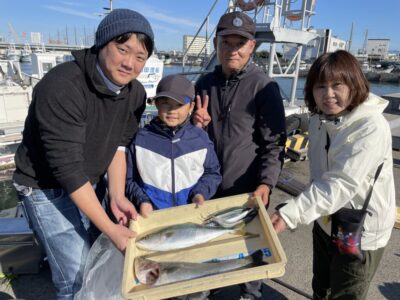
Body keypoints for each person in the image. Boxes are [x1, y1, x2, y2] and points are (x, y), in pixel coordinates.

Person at [12, 9, 154, 300]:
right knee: (75, 274)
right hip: (43, 186)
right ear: (102, 43)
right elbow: (67, 169)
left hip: (87, 179)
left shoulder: (135, 93)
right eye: (122, 48)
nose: (129, 63)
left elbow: (119, 145)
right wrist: (111, 230)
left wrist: (116, 194)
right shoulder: (62, 86)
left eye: (140, 57)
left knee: (94, 261)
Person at [271, 50, 396, 300]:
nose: (328, 94)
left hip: (360, 230)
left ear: (354, 83)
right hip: (325, 220)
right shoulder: (319, 119)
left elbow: (341, 183)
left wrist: (290, 214)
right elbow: (321, 178)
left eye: (337, 84)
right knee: (322, 287)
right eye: (320, 86)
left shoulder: (370, 126)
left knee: (346, 294)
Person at [194, 11, 287, 300]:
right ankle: (215, 289)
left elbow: (274, 144)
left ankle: (250, 294)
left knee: (251, 249)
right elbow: (187, 136)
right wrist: (194, 125)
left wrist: (266, 184)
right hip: (209, 187)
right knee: (214, 248)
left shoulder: (264, 86)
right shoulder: (204, 83)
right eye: (226, 42)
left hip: (247, 188)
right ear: (215, 43)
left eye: (240, 43)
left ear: (252, 47)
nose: (232, 49)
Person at [126, 74, 221, 216]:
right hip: (153, 216)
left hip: (191, 213)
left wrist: (200, 193)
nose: (172, 110)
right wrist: (142, 201)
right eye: (165, 103)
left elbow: (212, 173)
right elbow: (128, 179)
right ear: (156, 103)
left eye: (179, 104)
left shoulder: (200, 138)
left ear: (191, 107)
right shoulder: (140, 139)